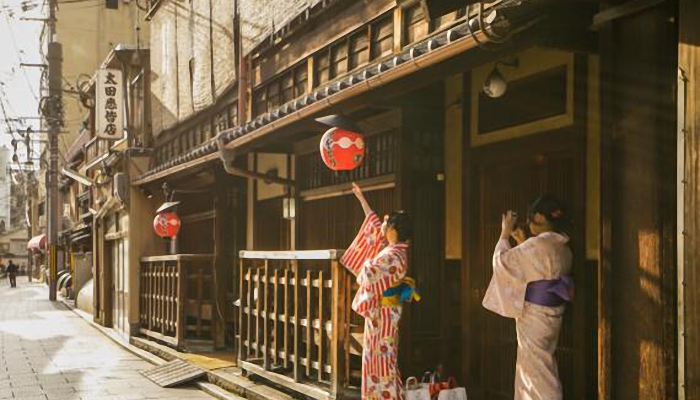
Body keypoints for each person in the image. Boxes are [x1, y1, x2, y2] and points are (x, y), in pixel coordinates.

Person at [482, 194, 574, 400]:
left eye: (532, 216)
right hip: (552, 313)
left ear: (540, 217)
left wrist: (505, 233)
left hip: (534, 316)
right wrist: (523, 242)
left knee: (537, 368)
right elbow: (537, 267)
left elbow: (502, 262)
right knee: (540, 363)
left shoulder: (538, 246)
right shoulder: (562, 246)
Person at [341, 182, 412, 400]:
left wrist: (366, 263)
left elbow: (370, 273)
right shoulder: (392, 250)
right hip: (382, 316)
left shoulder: (394, 256)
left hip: (384, 318)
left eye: (387, 224)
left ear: (393, 230)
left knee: (382, 364)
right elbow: (374, 224)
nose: (382, 226)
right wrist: (362, 199)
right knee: (376, 361)